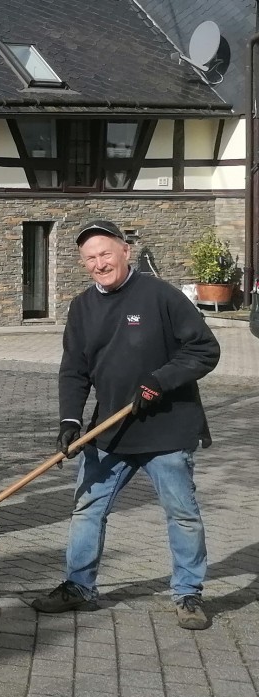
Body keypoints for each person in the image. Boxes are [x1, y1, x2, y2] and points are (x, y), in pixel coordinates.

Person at [31, 219, 220, 630]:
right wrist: (69, 420)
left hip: (168, 430)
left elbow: (205, 350)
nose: (99, 263)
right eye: (90, 258)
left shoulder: (161, 296)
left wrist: (160, 380)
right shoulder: (82, 306)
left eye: (105, 253)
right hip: (110, 431)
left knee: (182, 514)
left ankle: (188, 593)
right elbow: (74, 370)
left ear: (125, 252)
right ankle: (79, 586)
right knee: (87, 509)